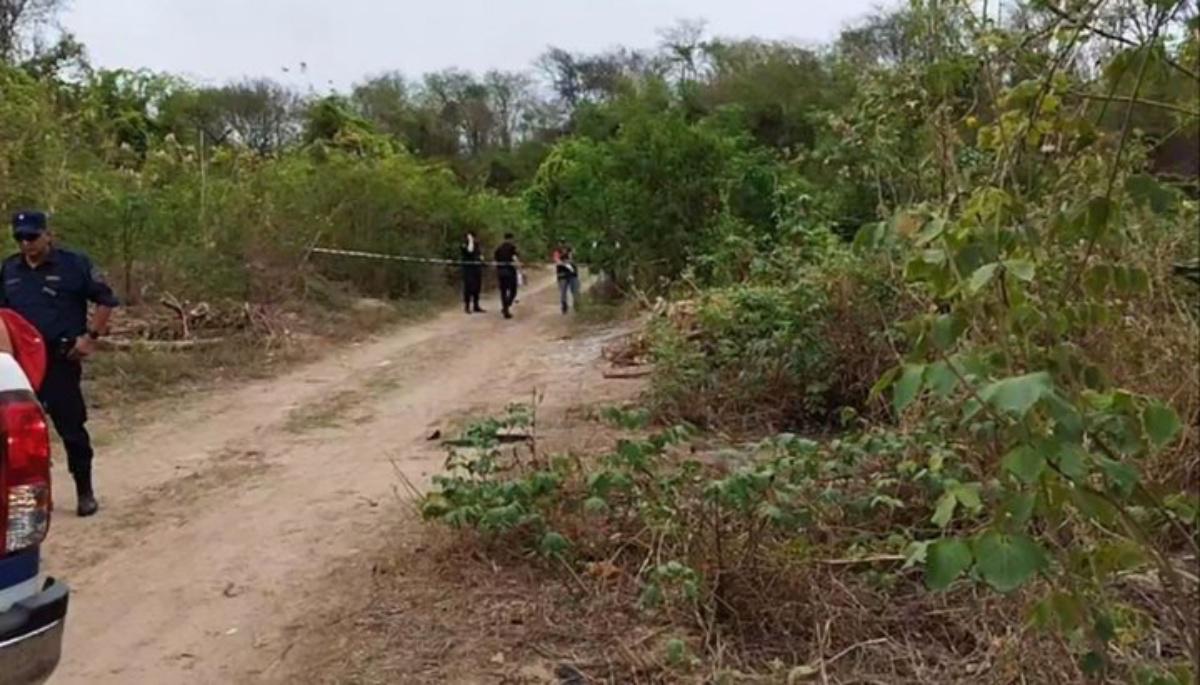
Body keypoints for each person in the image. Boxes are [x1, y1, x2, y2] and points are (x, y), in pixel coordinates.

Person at [0, 211, 119, 517]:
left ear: (47, 234)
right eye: (20, 238)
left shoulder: (73, 264)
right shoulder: (10, 269)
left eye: (32, 236)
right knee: (21, 437)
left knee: (71, 429)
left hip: (60, 360)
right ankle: (33, 500)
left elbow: (106, 299)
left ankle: (85, 491)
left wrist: (90, 338)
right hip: (22, 366)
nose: (26, 243)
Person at [493, 233, 520, 319]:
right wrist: (518, 267)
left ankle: (505, 307)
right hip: (510, 271)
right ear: (511, 239)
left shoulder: (498, 248)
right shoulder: (512, 248)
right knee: (513, 290)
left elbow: (495, 260)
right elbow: (515, 258)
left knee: (503, 291)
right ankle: (506, 306)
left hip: (501, 272)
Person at [460, 231, 484, 314]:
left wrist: (481, 258)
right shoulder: (464, 244)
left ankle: (476, 306)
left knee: (477, 287)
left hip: (476, 269)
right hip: (468, 270)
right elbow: (469, 251)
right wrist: (470, 241)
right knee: (468, 288)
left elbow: (479, 254)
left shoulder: (477, 245)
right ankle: (467, 307)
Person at [554, 242, 581, 314]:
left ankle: (577, 306)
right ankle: (564, 306)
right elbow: (557, 261)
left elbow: (574, 260)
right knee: (563, 292)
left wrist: (565, 261)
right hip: (562, 275)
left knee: (575, 291)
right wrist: (566, 262)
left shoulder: (571, 251)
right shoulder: (557, 252)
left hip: (573, 274)